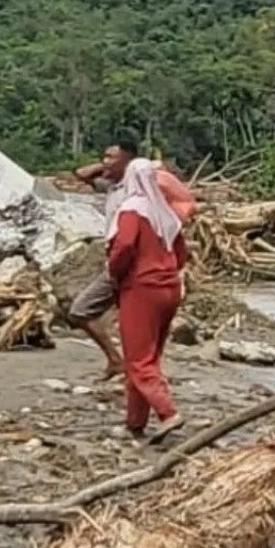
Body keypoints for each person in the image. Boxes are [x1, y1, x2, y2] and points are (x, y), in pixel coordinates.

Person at [69, 140, 196, 380]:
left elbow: (128, 242)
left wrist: (117, 269)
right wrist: (106, 165)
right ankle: (129, 365)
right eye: (103, 156)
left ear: (128, 162)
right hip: (125, 263)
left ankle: (135, 369)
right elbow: (80, 174)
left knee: (83, 310)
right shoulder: (112, 186)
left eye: (111, 157)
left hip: (130, 265)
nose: (105, 161)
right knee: (115, 318)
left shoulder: (139, 193)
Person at [106, 158, 188, 443]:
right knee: (148, 356)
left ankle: (167, 413)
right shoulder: (164, 213)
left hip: (141, 288)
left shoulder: (132, 209)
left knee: (139, 359)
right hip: (169, 288)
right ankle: (135, 422)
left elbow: (125, 245)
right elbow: (181, 254)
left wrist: (114, 272)